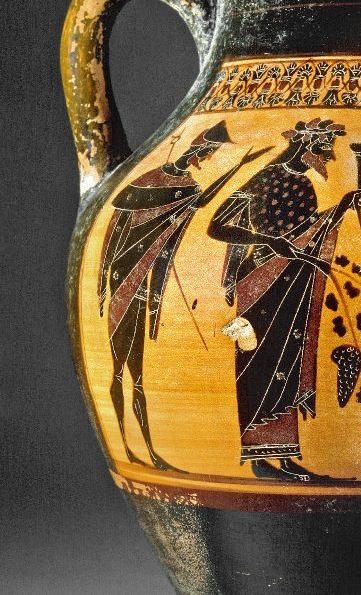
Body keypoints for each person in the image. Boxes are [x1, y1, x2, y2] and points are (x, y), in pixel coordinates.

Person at [208, 118, 361, 482]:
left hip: (292, 280)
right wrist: (267, 242)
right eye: (322, 149)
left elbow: (304, 234)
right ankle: (259, 457)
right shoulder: (265, 178)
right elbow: (216, 227)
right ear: (304, 145)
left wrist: (341, 208)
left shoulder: (305, 183)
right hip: (260, 280)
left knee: (288, 362)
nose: (327, 158)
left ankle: (285, 455)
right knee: (258, 363)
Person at [99, 121, 260, 471]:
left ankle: (149, 453)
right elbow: (116, 227)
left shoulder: (188, 187)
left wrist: (237, 168)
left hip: (142, 287)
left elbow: (187, 217)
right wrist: (102, 281)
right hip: (123, 281)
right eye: (206, 152)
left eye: (209, 154)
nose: (205, 159)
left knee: (137, 374)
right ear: (195, 148)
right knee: (118, 370)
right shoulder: (147, 180)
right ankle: (128, 448)